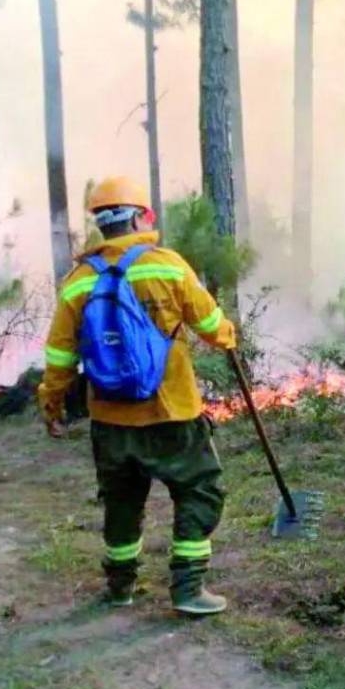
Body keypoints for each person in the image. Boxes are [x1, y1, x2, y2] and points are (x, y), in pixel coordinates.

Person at [37, 177, 238, 615]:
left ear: (100, 224)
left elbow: (59, 355)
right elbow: (212, 326)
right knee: (199, 490)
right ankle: (188, 589)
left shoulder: (77, 281)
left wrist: (51, 403)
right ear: (142, 217)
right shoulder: (167, 266)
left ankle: (120, 587)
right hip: (173, 413)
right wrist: (228, 335)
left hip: (110, 420)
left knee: (122, 503)